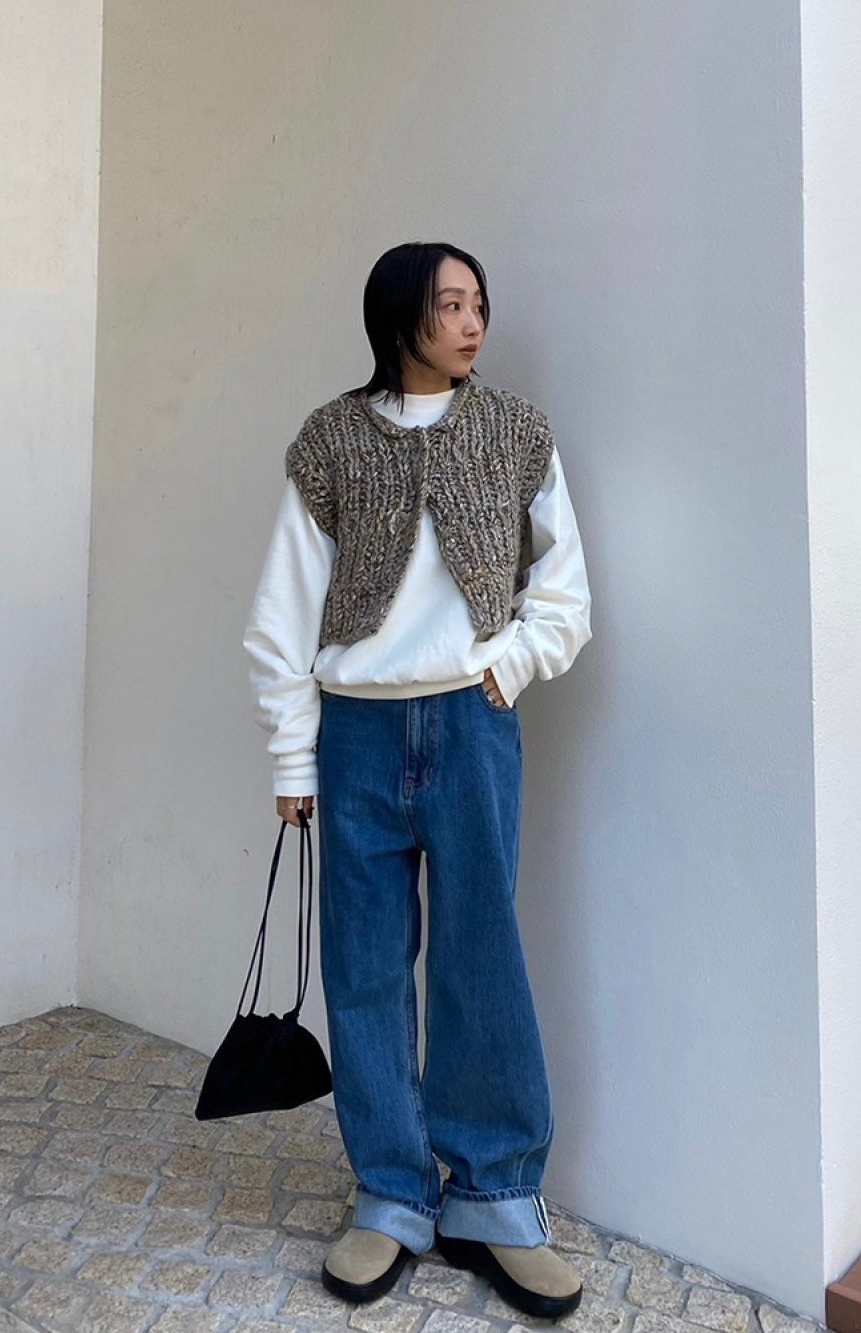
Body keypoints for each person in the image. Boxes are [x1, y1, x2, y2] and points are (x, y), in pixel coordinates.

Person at [242, 241, 592, 1321]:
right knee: (365, 967)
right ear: (400, 316)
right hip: (354, 735)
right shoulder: (332, 441)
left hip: (473, 728)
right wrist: (292, 754)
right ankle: (391, 1192)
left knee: (481, 958)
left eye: (480, 303)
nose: (473, 322)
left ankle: (495, 1198)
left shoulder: (516, 431)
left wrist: (511, 665)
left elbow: (565, 590)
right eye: (450, 304)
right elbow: (282, 610)